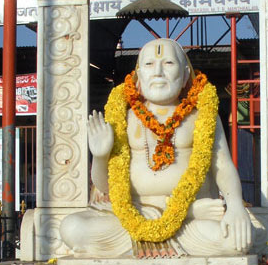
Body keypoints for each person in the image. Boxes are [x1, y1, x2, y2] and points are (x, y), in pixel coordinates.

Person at [59, 38, 252, 258]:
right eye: (149, 65)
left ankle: (169, 225)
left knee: (236, 241)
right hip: (132, 215)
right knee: (72, 227)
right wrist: (101, 156)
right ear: (138, 77)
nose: (158, 72)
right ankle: (159, 229)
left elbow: (223, 166)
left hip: (188, 222)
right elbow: (106, 187)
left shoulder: (201, 116)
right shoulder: (123, 118)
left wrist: (235, 206)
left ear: (186, 75)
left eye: (169, 63)